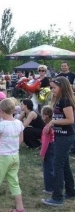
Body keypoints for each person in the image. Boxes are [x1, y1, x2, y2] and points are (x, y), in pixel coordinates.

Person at [41, 76, 75, 206]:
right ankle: (71, 191)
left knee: (57, 166)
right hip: (60, 135)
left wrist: (53, 122)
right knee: (64, 164)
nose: (52, 90)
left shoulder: (66, 101)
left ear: (62, 87)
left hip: (66, 136)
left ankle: (57, 197)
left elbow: (70, 120)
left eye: (54, 87)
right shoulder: (59, 100)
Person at [40, 105, 55, 195]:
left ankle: (49, 188)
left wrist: (42, 154)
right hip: (54, 146)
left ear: (45, 115)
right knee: (52, 166)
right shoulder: (53, 125)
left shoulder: (46, 128)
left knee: (48, 168)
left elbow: (45, 142)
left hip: (49, 148)